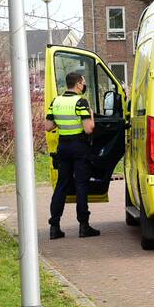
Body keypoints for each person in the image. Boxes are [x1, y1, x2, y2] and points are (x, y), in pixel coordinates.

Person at [46, 72, 100, 239]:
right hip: (79, 147)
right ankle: (84, 226)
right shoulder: (81, 102)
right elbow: (88, 128)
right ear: (78, 84)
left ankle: (54, 226)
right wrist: (91, 114)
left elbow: (48, 126)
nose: (84, 85)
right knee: (81, 185)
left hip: (63, 147)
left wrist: (61, 122)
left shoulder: (56, 101)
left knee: (61, 185)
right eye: (83, 82)